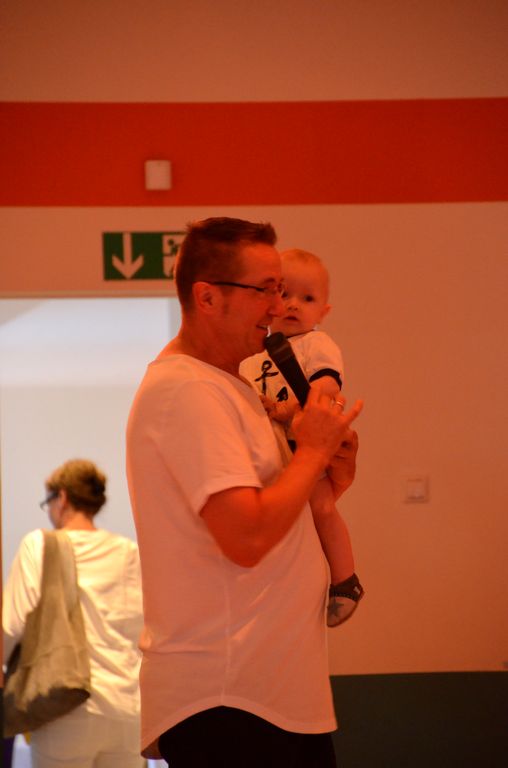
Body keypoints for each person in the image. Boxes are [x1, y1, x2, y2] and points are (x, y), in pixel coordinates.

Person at [126, 217, 363, 767]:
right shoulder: (187, 390)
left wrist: (329, 473)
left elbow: (274, 520)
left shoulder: (232, 387)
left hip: (268, 694)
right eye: (265, 290)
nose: (278, 306)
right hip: (229, 697)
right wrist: (310, 452)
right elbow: (247, 537)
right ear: (207, 297)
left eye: (281, 289)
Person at [240, 248, 364, 627]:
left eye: (307, 298)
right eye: (285, 293)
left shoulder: (316, 344)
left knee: (322, 507)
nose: (293, 304)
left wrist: (289, 408)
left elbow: (326, 387)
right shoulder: (252, 353)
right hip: (272, 455)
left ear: (323, 311)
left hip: (304, 448)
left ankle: (345, 580)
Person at [2, 459, 144, 768]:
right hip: (127, 708)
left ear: (62, 498)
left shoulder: (40, 544)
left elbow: (11, 625)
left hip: (66, 706)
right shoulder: (128, 551)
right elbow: (142, 630)